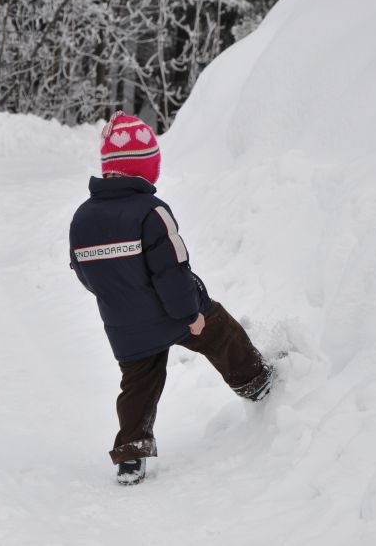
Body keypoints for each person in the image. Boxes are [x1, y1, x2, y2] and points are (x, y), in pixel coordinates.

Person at [69, 111, 275, 485]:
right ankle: (256, 381)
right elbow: (172, 271)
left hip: (124, 326)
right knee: (220, 332)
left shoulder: (82, 219)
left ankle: (131, 455)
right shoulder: (153, 212)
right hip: (173, 314)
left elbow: (85, 274)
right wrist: (191, 313)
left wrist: (120, 297)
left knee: (138, 386)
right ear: (146, 170)